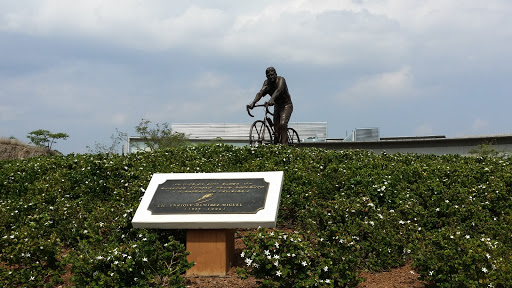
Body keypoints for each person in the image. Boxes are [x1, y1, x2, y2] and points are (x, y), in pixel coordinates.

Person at [248, 67, 293, 144]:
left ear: (276, 74)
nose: (270, 77)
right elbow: (260, 93)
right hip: (277, 105)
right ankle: (276, 142)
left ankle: (285, 146)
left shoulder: (281, 80)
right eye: (268, 75)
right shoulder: (266, 83)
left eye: (272, 75)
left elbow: (278, 90)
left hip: (286, 105)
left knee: (282, 124)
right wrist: (253, 102)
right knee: (276, 128)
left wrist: (272, 99)